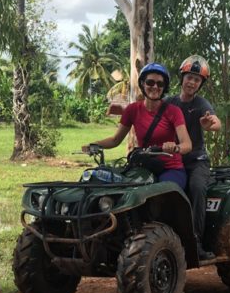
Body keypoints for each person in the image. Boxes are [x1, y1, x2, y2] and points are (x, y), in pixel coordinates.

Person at [84, 63, 193, 189]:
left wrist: (175, 148)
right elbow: (115, 140)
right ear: (142, 84)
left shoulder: (173, 111)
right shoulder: (133, 110)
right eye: (150, 82)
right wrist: (93, 145)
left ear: (164, 87)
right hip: (145, 166)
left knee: (165, 193)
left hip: (170, 168)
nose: (155, 87)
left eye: (160, 84)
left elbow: (187, 144)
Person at [166, 55, 221, 260]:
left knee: (197, 188)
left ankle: (196, 241)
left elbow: (215, 122)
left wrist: (210, 125)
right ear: (182, 78)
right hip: (172, 160)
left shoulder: (201, 103)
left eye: (197, 80)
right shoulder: (169, 102)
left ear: (200, 84)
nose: (192, 82)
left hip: (196, 160)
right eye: (189, 77)